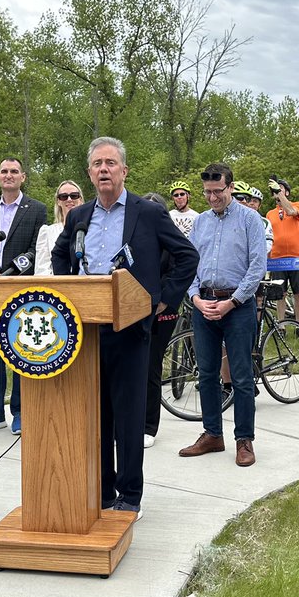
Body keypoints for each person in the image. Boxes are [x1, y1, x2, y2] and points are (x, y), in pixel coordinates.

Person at [52, 138, 198, 517]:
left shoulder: (146, 213)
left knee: (128, 416)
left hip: (131, 329)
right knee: (96, 414)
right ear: (89, 172)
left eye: (111, 163)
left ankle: (129, 495)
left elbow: (186, 256)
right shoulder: (80, 215)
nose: (104, 169)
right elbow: (59, 253)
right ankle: (102, 491)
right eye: (97, 164)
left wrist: (161, 300)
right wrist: (69, 291)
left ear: (124, 171)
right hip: (88, 330)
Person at [179, 163, 267, 467]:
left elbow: (257, 267)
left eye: (218, 191)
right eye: (207, 192)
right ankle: (213, 434)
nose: (213, 197)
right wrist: (195, 298)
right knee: (206, 374)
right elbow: (189, 264)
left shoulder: (250, 220)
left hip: (237, 307)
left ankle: (244, 440)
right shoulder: (200, 222)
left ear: (231, 187)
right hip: (204, 305)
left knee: (241, 376)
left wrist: (234, 301)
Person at [0, 157, 48, 436]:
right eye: (4, 171)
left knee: (20, 350)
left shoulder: (37, 210)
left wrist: (12, 272)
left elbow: (35, 248)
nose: (9, 175)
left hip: (21, 289)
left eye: (14, 171)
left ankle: (20, 411)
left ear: (23, 177)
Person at [141, 191, 181, 448]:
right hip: (135, 310)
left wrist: (164, 299)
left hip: (162, 312)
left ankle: (148, 426)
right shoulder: (135, 238)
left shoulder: (171, 240)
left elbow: (179, 269)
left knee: (151, 366)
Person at [264, 175, 299, 322]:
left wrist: (280, 193)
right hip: (277, 258)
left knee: (298, 293)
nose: (277, 192)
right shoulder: (270, 213)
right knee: (280, 293)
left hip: (296, 257)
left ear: (286, 192)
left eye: (280, 189)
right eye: (275, 190)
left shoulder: (297, 205)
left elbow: (291, 211)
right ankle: (281, 324)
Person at [34, 180, 84, 276]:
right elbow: (41, 270)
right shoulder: (47, 232)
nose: (69, 199)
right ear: (58, 201)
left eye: (74, 196)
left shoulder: (90, 229)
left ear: (80, 200)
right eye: (64, 197)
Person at [233, 183, 273, 253]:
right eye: (249, 200)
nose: (251, 203)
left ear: (259, 205)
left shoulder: (265, 222)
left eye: (255, 201)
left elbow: (268, 244)